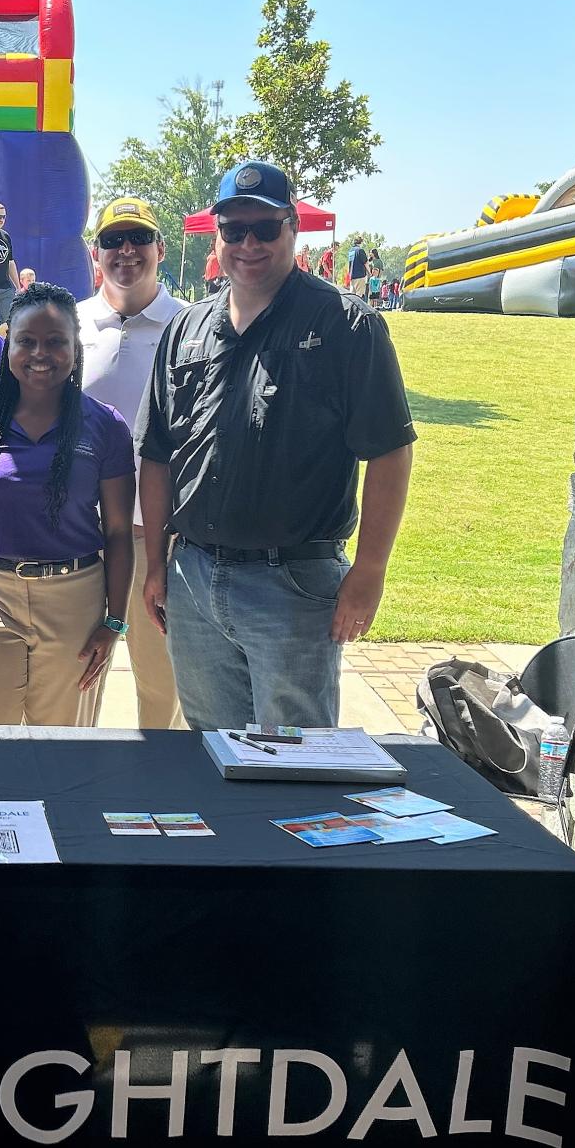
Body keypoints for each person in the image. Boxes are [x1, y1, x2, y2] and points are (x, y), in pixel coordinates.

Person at [140, 161, 416, 733]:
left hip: (293, 585)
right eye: (234, 229)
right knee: (212, 756)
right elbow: (157, 455)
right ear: (217, 235)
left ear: (292, 227)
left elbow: (389, 451)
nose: (248, 243)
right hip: (192, 577)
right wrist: (156, 565)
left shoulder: (346, 326)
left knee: (298, 768)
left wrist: (368, 572)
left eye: (264, 228)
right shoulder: (184, 330)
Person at [0, 284, 136, 726]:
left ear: (74, 347)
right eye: (26, 341)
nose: (40, 353)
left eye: (55, 341)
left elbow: (119, 533)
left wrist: (114, 621)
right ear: (8, 343)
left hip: (74, 599)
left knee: (63, 750)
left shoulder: (105, 426)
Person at [78, 197, 185, 730]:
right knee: (76, 681)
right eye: (112, 240)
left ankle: (161, 800)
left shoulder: (190, 327)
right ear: (93, 252)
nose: (126, 251)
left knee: (160, 686)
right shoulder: (70, 325)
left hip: (155, 541)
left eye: (139, 239)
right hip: (79, 538)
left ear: (160, 249)